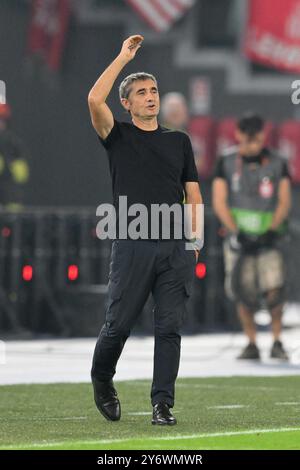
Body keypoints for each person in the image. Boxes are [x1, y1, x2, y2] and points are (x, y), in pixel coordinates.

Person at [88, 35, 203, 425]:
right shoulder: (117, 136)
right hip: (132, 244)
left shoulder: (179, 141)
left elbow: (193, 194)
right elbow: (93, 100)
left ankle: (162, 404)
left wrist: (195, 239)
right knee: (118, 325)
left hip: (174, 247)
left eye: (153, 90)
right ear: (128, 103)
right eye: (141, 92)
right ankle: (102, 378)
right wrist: (122, 57)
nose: (151, 97)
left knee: (169, 327)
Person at [212, 113, 291, 361]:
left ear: (263, 136)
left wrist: (270, 230)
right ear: (237, 135)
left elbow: (284, 200)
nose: (250, 145)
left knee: (274, 289)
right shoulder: (225, 162)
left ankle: (277, 341)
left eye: (255, 140)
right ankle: (251, 342)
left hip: (270, 238)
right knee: (243, 290)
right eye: (246, 140)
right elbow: (219, 200)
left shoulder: (278, 162)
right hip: (240, 239)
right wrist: (236, 230)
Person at [0, 103, 30, 210]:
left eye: (2, 121)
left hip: (11, 199)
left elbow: (22, 176)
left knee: (13, 220)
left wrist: (10, 163)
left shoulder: (13, 144)